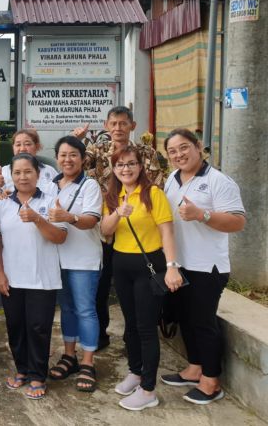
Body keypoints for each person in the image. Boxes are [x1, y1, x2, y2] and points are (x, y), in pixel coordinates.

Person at [161, 128, 246, 405]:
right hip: (179, 264)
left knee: (203, 322)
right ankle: (194, 368)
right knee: (185, 318)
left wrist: (202, 215)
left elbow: (238, 222)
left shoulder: (218, 181)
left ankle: (211, 381)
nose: (179, 154)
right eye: (172, 151)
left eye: (184, 147)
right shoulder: (172, 179)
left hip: (208, 266)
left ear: (198, 147)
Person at [73, 106, 165, 351]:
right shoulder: (97, 150)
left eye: (123, 123)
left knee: (136, 292)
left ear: (132, 126)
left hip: (137, 232)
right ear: (106, 126)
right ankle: (100, 335)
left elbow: (156, 187)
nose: (118, 128)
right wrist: (77, 141)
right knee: (101, 287)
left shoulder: (146, 153)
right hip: (103, 228)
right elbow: (74, 165)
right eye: (113, 124)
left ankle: (133, 339)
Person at [99, 146, 183, 411]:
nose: (126, 169)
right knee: (131, 325)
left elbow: (167, 232)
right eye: (120, 165)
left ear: (140, 166)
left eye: (131, 163)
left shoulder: (153, 193)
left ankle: (148, 390)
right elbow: (105, 231)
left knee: (146, 328)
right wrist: (118, 213)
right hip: (121, 265)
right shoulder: (112, 196)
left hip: (149, 265)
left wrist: (172, 267)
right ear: (114, 169)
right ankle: (135, 372)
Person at [0, 153, 68, 400]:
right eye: (17, 172)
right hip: (11, 277)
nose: (23, 177)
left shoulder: (51, 201)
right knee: (15, 327)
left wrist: (37, 219)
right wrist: (0, 274)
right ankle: (22, 370)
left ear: (38, 174)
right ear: (11, 176)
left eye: (28, 171)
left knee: (39, 328)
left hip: (42, 277)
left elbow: (60, 237)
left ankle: (38, 376)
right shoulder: (3, 203)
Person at [45, 136, 103, 393]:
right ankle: (70, 356)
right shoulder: (50, 185)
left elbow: (91, 220)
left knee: (85, 310)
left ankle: (88, 362)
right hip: (57, 258)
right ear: (56, 158)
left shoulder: (90, 185)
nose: (67, 160)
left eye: (73, 155)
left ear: (83, 159)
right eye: (63, 155)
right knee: (67, 309)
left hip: (84, 260)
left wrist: (69, 217)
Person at [0, 129, 58, 197]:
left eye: (27, 144)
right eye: (18, 145)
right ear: (13, 147)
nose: (22, 149)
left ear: (37, 146)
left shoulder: (50, 171)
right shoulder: (3, 172)